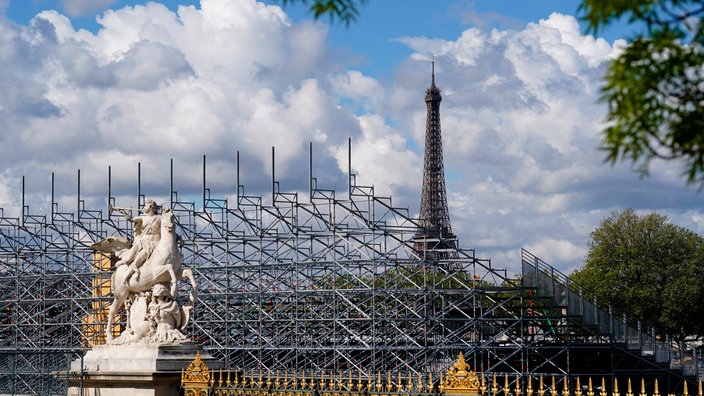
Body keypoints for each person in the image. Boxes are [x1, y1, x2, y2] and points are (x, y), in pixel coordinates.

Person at [114, 199, 161, 286]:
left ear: (150, 207)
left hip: (154, 242)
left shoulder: (158, 218)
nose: (143, 208)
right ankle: (124, 263)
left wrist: (178, 238)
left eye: (145, 206)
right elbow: (130, 219)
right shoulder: (142, 218)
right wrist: (123, 212)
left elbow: (168, 229)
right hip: (142, 242)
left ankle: (134, 267)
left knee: (144, 253)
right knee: (128, 258)